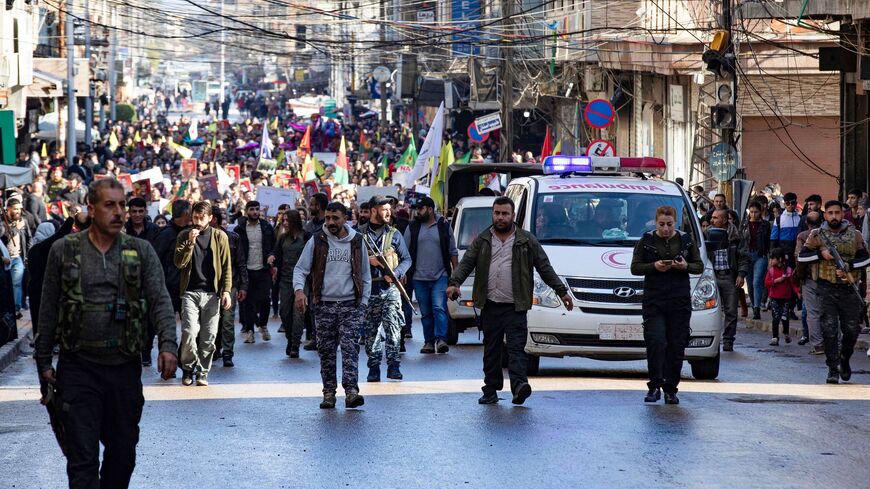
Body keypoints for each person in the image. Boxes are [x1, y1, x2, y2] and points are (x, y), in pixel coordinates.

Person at [34, 178, 178, 488]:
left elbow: (160, 300)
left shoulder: (141, 251)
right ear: (91, 208)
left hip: (123, 369)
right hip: (78, 368)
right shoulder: (64, 250)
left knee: (122, 455)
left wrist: (168, 344)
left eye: (122, 205)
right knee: (82, 460)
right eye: (109, 205)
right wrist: (43, 361)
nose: (119, 212)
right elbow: (47, 308)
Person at [447, 197, 573, 405]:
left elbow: (544, 268)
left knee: (516, 349)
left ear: (513, 216)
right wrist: (455, 283)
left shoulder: (526, 240)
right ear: (493, 214)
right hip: (490, 305)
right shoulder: (483, 239)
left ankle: (519, 386)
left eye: (505, 214)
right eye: (497, 213)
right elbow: (467, 262)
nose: (500, 217)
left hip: (515, 307)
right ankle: (490, 389)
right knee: (492, 350)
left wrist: (562, 292)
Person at [293, 202, 371, 409]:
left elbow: (365, 275)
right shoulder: (317, 240)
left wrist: (362, 304)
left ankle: (352, 392)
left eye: (335, 218)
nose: (331, 222)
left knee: (350, 349)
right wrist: (299, 291)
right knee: (326, 352)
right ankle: (329, 393)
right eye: (328, 218)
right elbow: (300, 269)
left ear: (346, 218)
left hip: (350, 306)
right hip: (324, 305)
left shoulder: (356, 241)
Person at [630, 205, 703, 405]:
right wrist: (654, 266)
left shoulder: (686, 240)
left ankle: (671, 389)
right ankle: (654, 386)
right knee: (656, 341)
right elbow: (635, 267)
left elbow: (699, 266)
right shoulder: (646, 241)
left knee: (676, 344)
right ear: (656, 222)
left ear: (675, 223)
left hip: (679, 300)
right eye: (661, 224)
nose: (665, 229)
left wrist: (684, 266)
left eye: (669, 225)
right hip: (654, 299)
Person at [799, 200, 870, 383]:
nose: (834, 216)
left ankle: (844, 358)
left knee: (852, 329)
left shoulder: (855, 235)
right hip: (826, 287)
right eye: (830, 213)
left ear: (842, 214)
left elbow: (865, 259)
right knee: (829, 329)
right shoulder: (817, 235)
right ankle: (833, 367)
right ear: (825, 215)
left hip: (849, 289)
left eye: (837, 213)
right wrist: (820, 254)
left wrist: (849, 266)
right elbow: (802, 256)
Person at [174, 201, 232, 386]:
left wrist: (227, 291)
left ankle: (202, 372)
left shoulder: (220, 236)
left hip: (211, 294)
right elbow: (179, 263)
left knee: (208, 337)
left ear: (210, 218)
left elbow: (226, 267)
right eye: (195, 217)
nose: (198, 221)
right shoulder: (184, 235)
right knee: (189, 332)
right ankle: (188, 368)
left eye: (201, 217)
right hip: (190, 292)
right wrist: (190, 242)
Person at [359, 195, 412, 382]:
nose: (389, 212)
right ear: (373, 211)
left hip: (390, 289)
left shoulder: (394, 234)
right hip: (369, 290)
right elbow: (351, 261)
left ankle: (394, 366)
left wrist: (396, 273)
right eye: (384, 209)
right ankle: (373, 368)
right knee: (371, 332)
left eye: (390, 209)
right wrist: (368, 260)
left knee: (394, 328)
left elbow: (407, 259)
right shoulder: (360, 235)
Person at [404, 196, 458, 354]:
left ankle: (441, 339)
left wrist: (456, 278)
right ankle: (429, 342)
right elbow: (404, 252)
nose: (417, 212)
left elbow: (452, 251)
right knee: (426, 312)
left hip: (440, 277)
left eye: (420, 209)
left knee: (439, 308)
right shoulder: (412, 227)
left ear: (429, 209)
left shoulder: (443, 226)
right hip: (418, 278)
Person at [705, 209, 750, 352]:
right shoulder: (707, 234)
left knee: (731, 311)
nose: (712, 220)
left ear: (724, 220)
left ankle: (728, 340)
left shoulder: (736, 237)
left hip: (729, 277)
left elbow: (743, 257)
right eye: (712, 217)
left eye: (716, 218)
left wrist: (741, 275)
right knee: (709, 310)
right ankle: (711, 340)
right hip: (712, 277)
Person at [268, 209, 308, 357]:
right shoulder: (283, 238)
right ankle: (290, 339)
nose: (284, 223)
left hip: (303, 281)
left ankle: (295, 345)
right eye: (282, 220)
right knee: (285, 313)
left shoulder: (306, 237)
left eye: (287, 220)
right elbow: (275, 252)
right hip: (285, 280)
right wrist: (271, 257)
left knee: (298, 313)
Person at [235, 200, 276, 343]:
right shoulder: (239, 229)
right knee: (248, 303)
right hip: (246, 271)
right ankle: (250, 330)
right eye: (252, 209)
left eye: (257, 209)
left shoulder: (266, 227)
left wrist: (272, 256)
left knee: (265, 300)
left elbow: (273, 245)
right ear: (246, 211)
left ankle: (263, 325)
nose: (255, 212)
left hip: (263, 269)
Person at [212, 208, 247, 367]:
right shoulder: (202, 238)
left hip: (230, 285)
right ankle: (215, 348)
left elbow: (240, 263)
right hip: (210, 286)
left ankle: (227, 353)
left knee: (227, 320)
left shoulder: (233, 238)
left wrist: (243, 286)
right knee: (213, 320)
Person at [153, 200, 191, 314]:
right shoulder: (166, 234)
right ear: (185, 213)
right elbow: (155, 261)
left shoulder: (191, 232)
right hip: (169, 289)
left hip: (189, 288)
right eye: (190, 211)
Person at [795, 210, 824, 351]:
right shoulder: (827, 234)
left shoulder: (803, 236)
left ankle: (817, 343)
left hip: (810, 278)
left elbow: (799, 258)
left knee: (812, 312)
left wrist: (800, 279)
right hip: (825, 278)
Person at [742, 201, 771, 319]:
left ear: (760, 212)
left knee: (757, 281)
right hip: (747, 255)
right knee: (749, 283)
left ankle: (757, 308)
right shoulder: (744, 225)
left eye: (756, 212)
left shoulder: (765, 225)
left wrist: (769, 257)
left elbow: (769, 241)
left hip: (760, 255)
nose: (753, 214)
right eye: (752, 212)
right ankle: (754, 305)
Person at [764, 248, 799, 346]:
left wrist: (798, 293)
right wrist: (776, 281)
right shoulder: (771, 271)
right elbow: (766, 283)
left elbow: (793, 284)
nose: (771, 261)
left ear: (779, 259)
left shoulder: (788, 270)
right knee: (775, 317)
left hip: (785, 298)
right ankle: (775, 337)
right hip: (774, 297)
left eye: (773, 259)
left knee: (784, 317)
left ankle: (786, 333)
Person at [4, 196, 31, 314]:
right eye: (15, 209)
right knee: (6, 284)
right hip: (5, 258)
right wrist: (15, 229)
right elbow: (3, 239)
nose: (17, 212)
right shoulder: (2, 222)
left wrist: (28, 255)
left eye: (19, 209)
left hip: (18, 257)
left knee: (16, 283)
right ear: (8, 209)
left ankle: (17, 307)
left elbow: (29, 238)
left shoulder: (22, 222)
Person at [771, 192, 801, 268]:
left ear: (796, 203)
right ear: (784, 204)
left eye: (792, 203)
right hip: (784, 253)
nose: (790, 205)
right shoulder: (779, 219)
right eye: (787, 203)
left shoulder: (800, 218)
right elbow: (773, 239)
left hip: (798, 251)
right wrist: (773, 257)